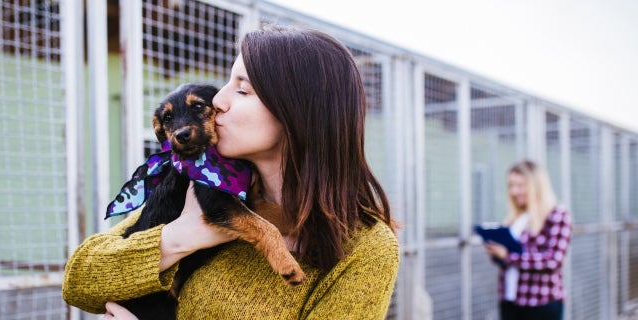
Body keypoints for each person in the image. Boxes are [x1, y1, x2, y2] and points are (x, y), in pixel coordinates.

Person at [62, 24, 400, 319]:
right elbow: (78, 282)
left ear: (297, 111)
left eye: (242, 89)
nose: (218, 100)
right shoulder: (201, 187)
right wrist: (179, 237)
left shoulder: (366, 247)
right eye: (226, 83)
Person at [483, 159, 572, 320]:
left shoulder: (557, 215)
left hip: (540, 303)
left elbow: (553, 261)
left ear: (536, 186)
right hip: (511, 300)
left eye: (520, 185)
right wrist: (496, 252)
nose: (514, 191)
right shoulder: (514, 217)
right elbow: (506, 259)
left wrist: (508, 256)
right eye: (511, 185)